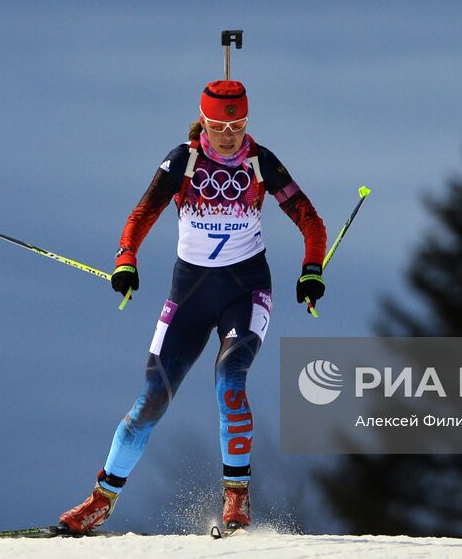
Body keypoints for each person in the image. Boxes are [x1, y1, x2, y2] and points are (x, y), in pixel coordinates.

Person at [57, 79, 328, 535]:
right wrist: (126, 260)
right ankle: (101, 501)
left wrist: (312, 269)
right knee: (150, 399)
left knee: (230, 380)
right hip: (190, 293)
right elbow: (142, 213)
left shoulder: (261, 162)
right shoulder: (183, 161)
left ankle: (237, 500)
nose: (229, 135)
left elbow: (309, 218)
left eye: (237, 125)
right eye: (220, 126)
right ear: (203, 121)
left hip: (246, 291)